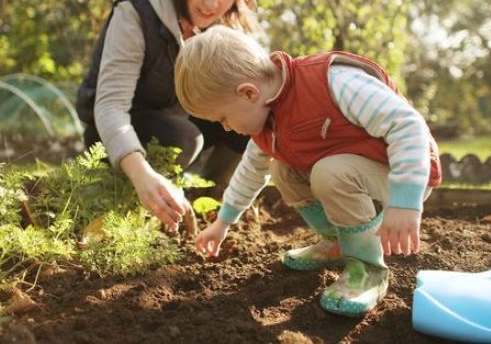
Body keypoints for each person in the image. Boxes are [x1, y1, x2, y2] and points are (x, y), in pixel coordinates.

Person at [174, 25, 442, 316]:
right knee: (283, 171)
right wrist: (222, 222)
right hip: (354, 171)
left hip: (405, 171)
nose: (226, 127)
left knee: (330, 172)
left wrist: (405, 201)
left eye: (223, 118)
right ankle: (337, 243)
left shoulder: (333, 82)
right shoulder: (268, 122)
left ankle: (367, 268)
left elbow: (407, 126)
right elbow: (251, 172)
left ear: (249, 93)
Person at [76, 0, 258, 231]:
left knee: (247, 118)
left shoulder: (222, 24)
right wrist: (142, 174)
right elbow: (110, 107)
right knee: (184, 138)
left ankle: (214, 204)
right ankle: (140, 201)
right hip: (116, 130)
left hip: (177, 116)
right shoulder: (135, 12)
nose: (212, 4)